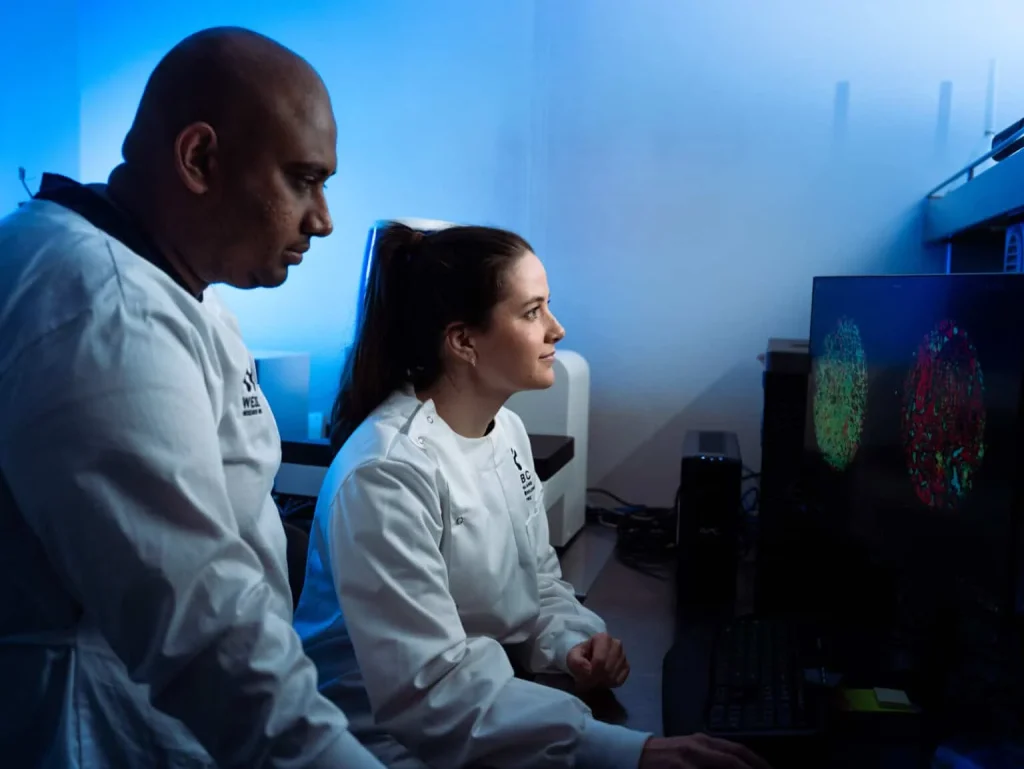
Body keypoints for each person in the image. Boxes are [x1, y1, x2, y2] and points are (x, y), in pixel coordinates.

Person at [0, 27, 387, 769]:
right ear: (200, 158)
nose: (323, 218)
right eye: (303, 180)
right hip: (94, 727)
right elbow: (202, 623)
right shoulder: (102, 305)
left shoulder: (170, 289)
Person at [293, 222, 771, 769]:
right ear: (463, 341)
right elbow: (430, 695)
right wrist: (629, 752)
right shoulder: (387, 474)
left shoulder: (507, 431)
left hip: (479, 713)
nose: (557, 329)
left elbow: (536, 578)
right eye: (531, 311)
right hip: (380, 745)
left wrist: (572, 642)